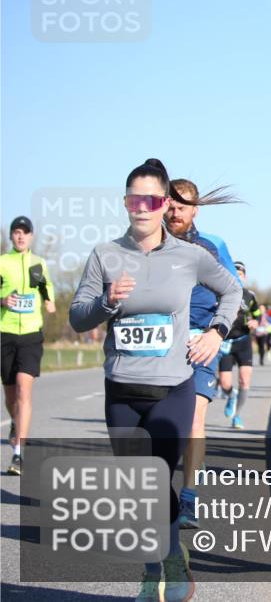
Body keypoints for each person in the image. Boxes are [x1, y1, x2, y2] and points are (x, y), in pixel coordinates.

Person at [69, 158, 241, 602]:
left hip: (173, 385)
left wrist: (216, 332)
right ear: (126, 203)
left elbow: (233, 291)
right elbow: (76, 316)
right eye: (133, 199)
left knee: (154, 474)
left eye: (150, 199)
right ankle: (161, 561)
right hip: (122, 388)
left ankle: (162, 565)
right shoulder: (105, 255)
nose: (141, 207)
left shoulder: (190, 255)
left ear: (163, 203)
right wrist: (106, 302)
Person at [164, 178, 242, 529]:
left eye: (183, 205)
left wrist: (216, 332)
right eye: (171, 204)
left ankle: (190, 497)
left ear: (196, 210)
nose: (175, 211)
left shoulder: (213, 245)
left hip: (199, 342)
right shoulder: (145, 244)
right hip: (158, 343)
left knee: (194, 419)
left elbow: (233, 291)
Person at [1, 216, 56, 476]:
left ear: (31, 236)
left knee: (24, 389)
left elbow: (45, 286)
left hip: (31, 334)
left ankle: (18, 454)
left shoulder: (39, 263)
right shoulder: (2, 263)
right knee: (10, 395)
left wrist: (50, 301)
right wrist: (3, 301)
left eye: (25, 233)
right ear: (11, 236)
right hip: (5, 333)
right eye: (16, 232)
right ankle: (15, 421)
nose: (20, 237)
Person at [219, 261, 260, 430]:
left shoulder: (249, 296)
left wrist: (255, 322)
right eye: (234, 273)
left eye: (241, 274)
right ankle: (231, 395)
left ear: (244, 277)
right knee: (225, 383)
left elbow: (257, 315)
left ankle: (237, 416)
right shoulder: (220, 292)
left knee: (244, 380)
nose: (237, 276)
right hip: (225, 342)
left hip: (243, 341)